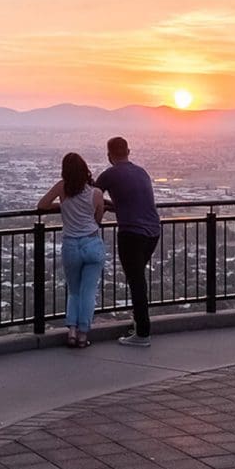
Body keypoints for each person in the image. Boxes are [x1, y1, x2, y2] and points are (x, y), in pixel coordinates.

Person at [94, 136, 161, 347]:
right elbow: (132, 202)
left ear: (109, 155)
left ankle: (142, 333)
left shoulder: (110, 174)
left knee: (136, 282)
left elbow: (92, 198)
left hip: (131, 233)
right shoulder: (141, 172)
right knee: (138, 279)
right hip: (153, 232)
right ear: (128, 151)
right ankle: (140, 325)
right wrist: (114, 206)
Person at [38, 152, 105, 349]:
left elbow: (42, 205)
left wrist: (63, 205)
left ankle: (72, 332)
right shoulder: (96, 193)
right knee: (89, 292)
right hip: (92, 243)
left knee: (74, 291)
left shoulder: (62, 188)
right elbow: (98, 219)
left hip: (70, 245)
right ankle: (84, 334)